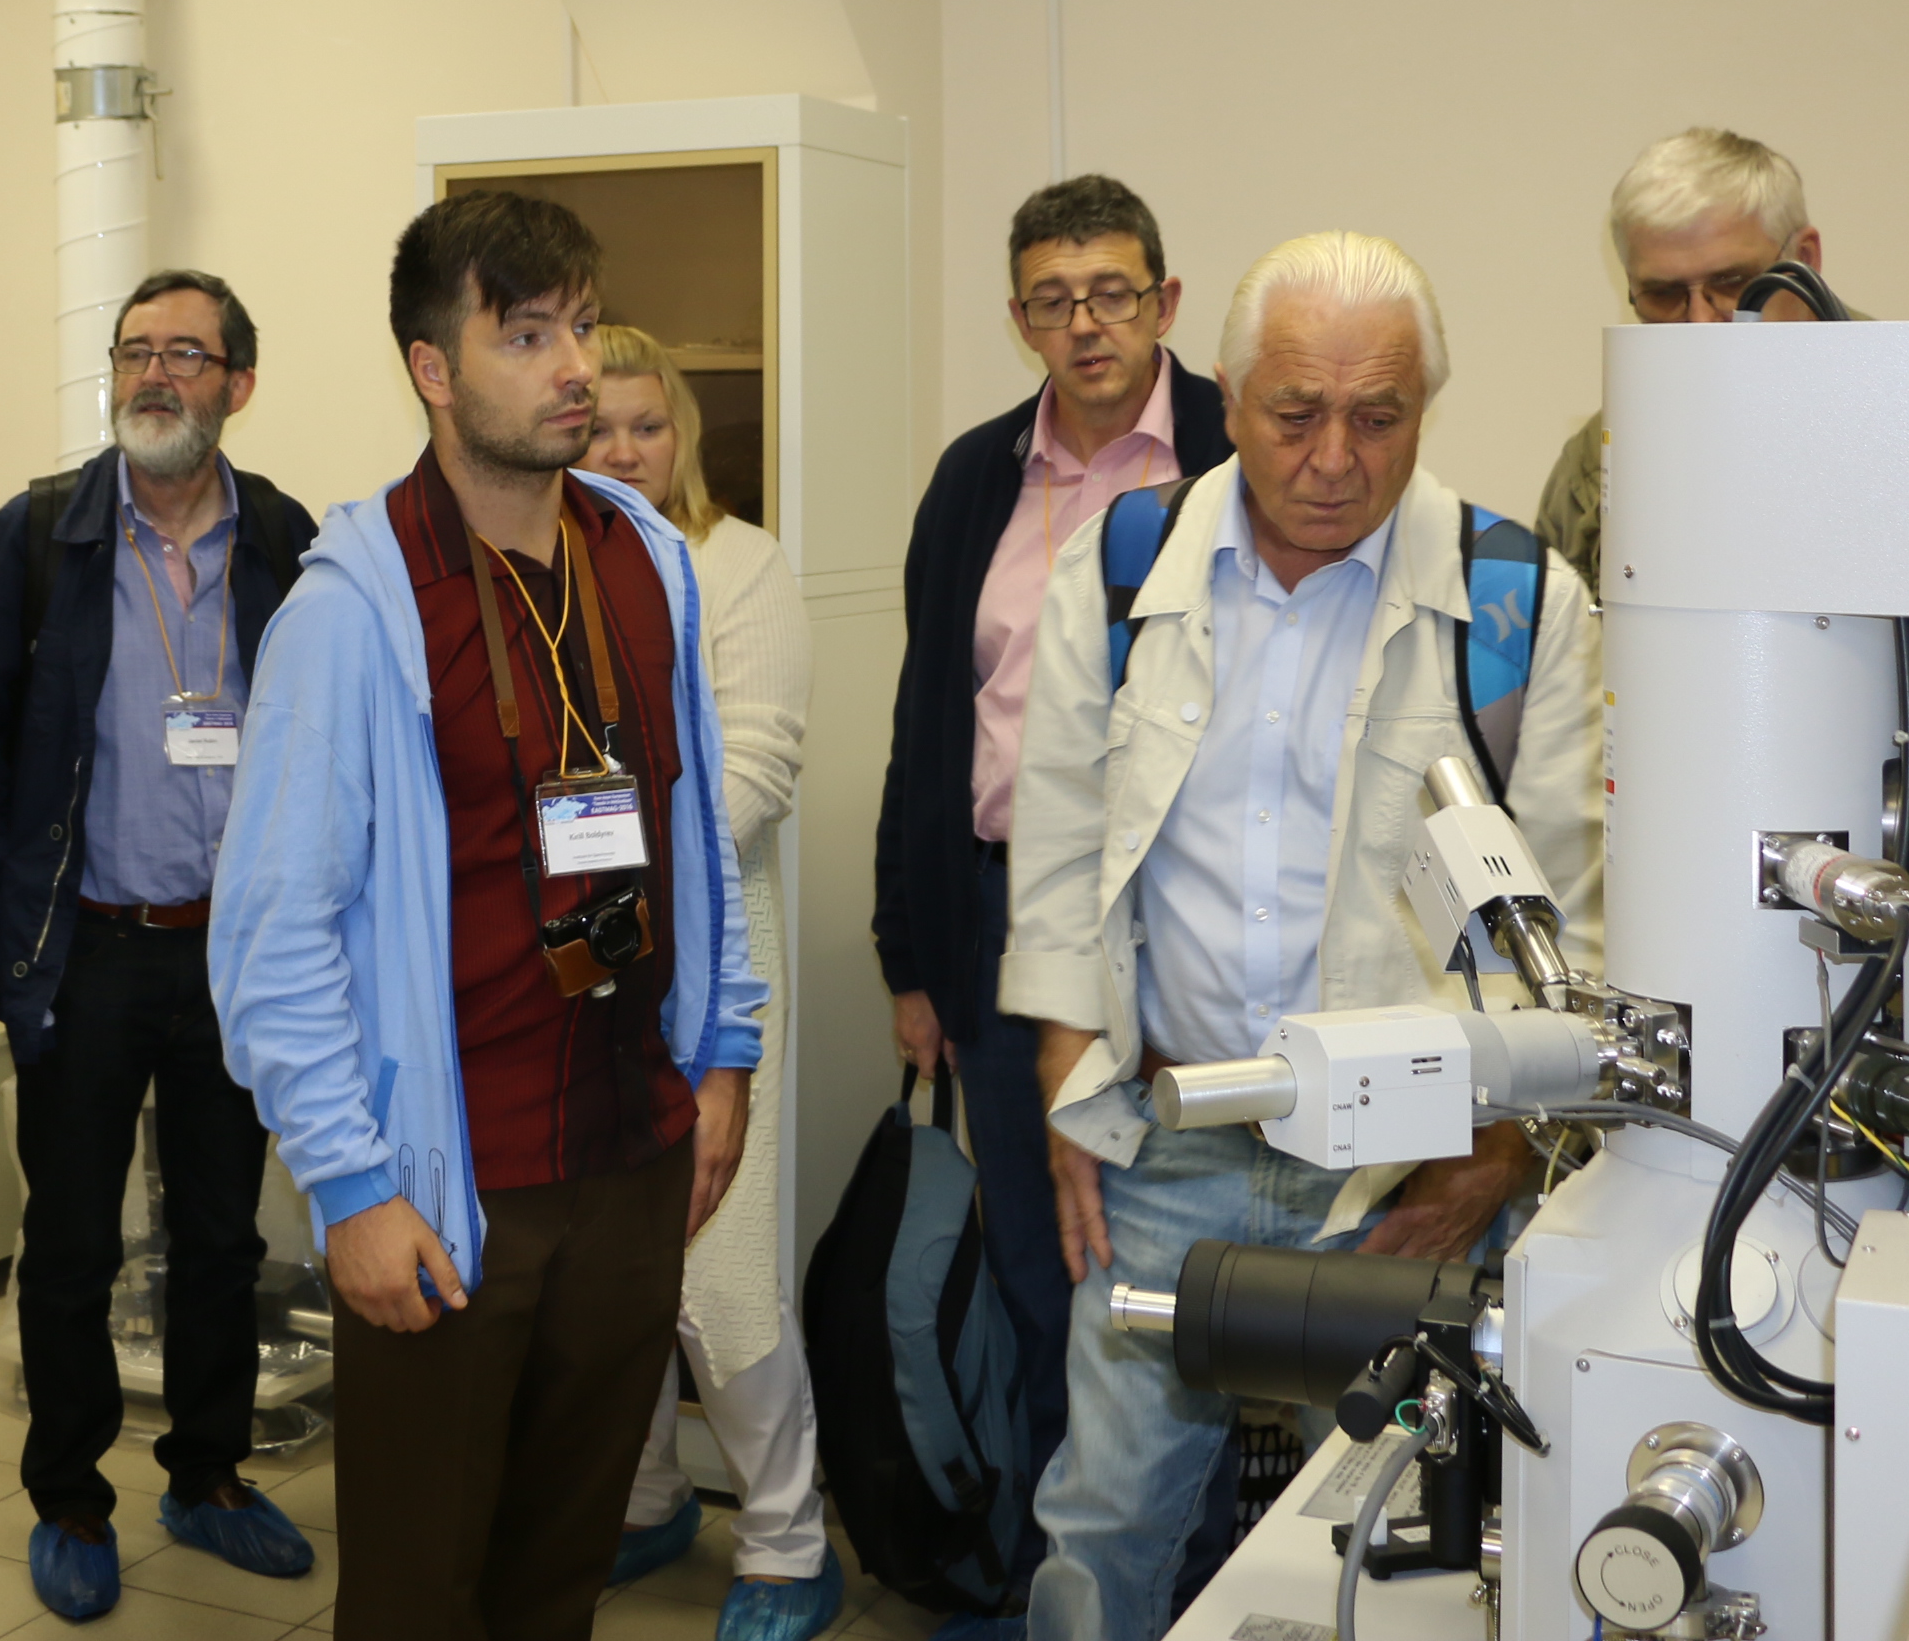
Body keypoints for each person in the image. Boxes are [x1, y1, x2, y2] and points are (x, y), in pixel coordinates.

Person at [1005, 230, 1603, 1641]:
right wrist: (1066, 1078)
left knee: (1410, 1537)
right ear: (1225, 394)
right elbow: (1063, 843)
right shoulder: (1124, 565)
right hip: (1171, 1139)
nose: (1336, 458)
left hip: (1414, 1162)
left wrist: (1494, 1155)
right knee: (1103, 1522)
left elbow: (1571, 925)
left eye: (1379, 417)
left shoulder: (1519, 602)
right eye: (1295, 413)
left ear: (1425, 408)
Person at [211, 190, 767, 1641]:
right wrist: (349, 1184)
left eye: (581, 324)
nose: (574, 364)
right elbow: (271, 933)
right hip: (453, 1186)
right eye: (525, 335)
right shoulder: (355, 607)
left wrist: (724, 1054)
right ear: (434, 369)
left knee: (558, 1578)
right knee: (419, 1594)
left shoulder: (643, 559)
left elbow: (696, 835)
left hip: (634, 1150)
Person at [0, 267, 322, 1620]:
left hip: (234, 955)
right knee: (72, 1244)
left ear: (239, 384)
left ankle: (205, 1474)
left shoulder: (283, 538)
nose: (156, 373)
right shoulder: (39, 534)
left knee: (220, 1237)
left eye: (188, 353)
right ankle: (70, 1497)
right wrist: (7, 895)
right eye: (136, 349)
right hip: (87, 947)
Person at [870, 176, 1231, 1518]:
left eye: (1112, 293)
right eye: (1053, 300)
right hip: (1000, 920)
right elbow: (926, 721)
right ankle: (1044, 1570)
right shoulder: (977, 476)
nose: (1086, 324)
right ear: (1020, 317)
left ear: (1165, 302)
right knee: (1035, 1256)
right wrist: (909, 954)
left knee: (1184, 1270)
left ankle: (1186, 1570)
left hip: (1184, 922)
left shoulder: (1237, 450)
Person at [583, 326, 837, 1641]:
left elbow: (757, 775)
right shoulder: (552, 569)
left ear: (681, 434)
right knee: (609, 1260)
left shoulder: (739, 565)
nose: (625, 449)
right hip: (583, 970)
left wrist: (595, 864)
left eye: (649, 424)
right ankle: (647, 1500)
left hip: (715, 961)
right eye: (600, 426)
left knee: (720, 1276)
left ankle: (790, 1545)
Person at [1537, 125, 1909, 585]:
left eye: (1732, 282)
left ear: (1804, 258)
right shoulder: (1600, 455)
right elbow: (1562, 648)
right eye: (1663, 294)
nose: (1699, 320)